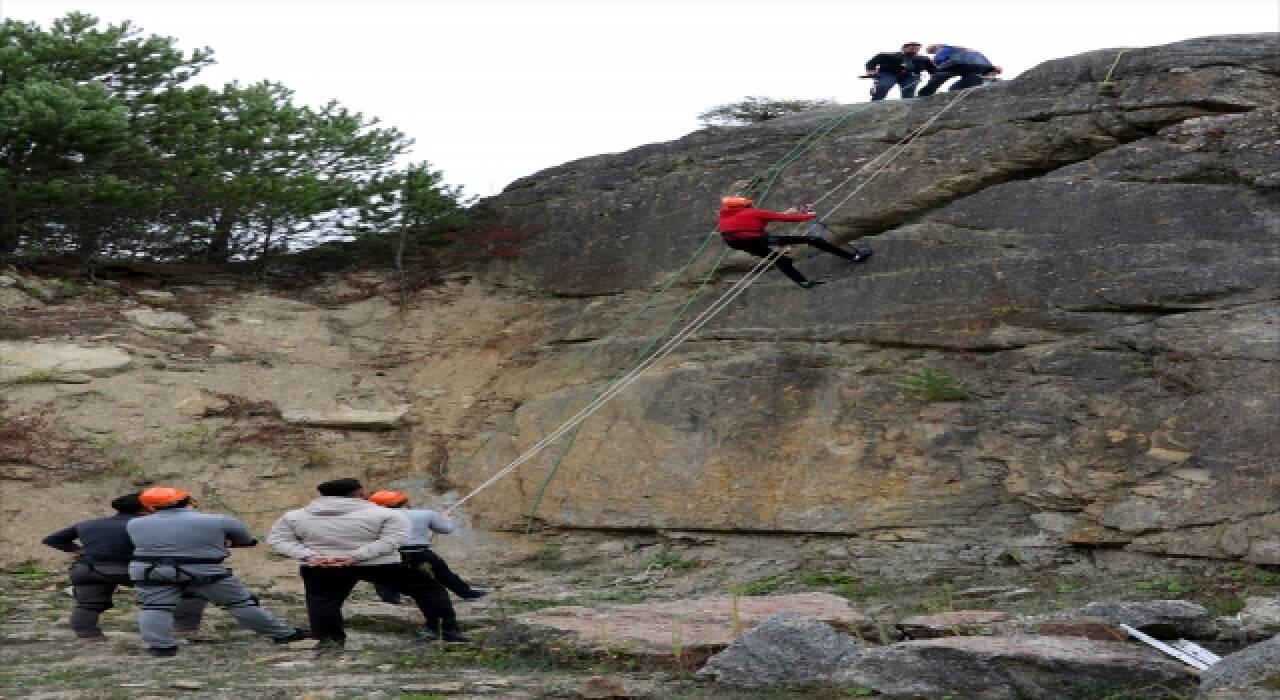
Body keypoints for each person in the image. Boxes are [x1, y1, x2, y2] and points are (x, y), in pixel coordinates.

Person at [267, 478, 466, 648]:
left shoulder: (293, 516)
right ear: (361, 493)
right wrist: (355, 556)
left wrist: (310, 556)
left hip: (321, 566)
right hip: (379, 563)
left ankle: (329, 643)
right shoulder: (386, 514)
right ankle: (446, 632)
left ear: (322, 495)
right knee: (429, 590)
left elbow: (277, 540)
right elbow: (395, 540)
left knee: (323, 602)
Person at [127, 486, 308, 657]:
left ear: (150, 507)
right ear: (188, 501)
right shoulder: (219, 520)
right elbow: (245, 540)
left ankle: (161, 647)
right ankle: (283, 634)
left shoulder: (135, 523)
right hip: (203, 569)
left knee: (155, 607)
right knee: (239, 603)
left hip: (149, 569)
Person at [42, 492, 207, 642]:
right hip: (127, 569)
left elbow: (52, 539)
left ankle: (88, 636)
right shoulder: (147, 524)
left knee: (88, 604)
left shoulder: (88, 524)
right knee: (194, 587)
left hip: (87, 569)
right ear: (148, 507)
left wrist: (79, 550)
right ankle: (184, 629)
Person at [717, 196, 871, 289]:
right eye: (748, 205)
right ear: (744, 206)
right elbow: (785, 219)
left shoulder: (724, 217)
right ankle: (855, 257)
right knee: (813, 239)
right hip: (756, 239)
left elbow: (751, 225)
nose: (751, 205)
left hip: (737, 243)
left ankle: (803, 283)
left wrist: (786, 214)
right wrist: (808, 215)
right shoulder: (752, 212)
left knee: (780, 259)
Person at [365, 490, 486, 605]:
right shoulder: (426, 513)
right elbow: (446, 529)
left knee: (384, 576)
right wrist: (444, 518)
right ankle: (467, 594)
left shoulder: (372, 517)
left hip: (389, 553)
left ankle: (391, 599)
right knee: (443, 574)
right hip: (419, 552)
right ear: (405, 502)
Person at [864, 42, 934, 101]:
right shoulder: (887, 55)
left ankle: (907, 105)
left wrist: (936, 76)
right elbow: (871, 63)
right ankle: (876, 102)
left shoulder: (924, 59)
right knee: (883, 86)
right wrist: (871, 71)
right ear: (904, 48)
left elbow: (932, 70)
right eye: (911, 47)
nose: (914, 49)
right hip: (889, 74)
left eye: (917, 48)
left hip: (910, 76)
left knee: (909, 91)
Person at [918, 44, 997, 96]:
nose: (933, 53)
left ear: (936, 48)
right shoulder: (965, 49)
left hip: (956, 64)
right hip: (978, 66)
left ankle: (924, 94)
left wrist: (935, 62)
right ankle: (960, 93)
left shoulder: (946, 48)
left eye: (932, 51)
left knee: (939, 76)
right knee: (970, 80)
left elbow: (939, 59)